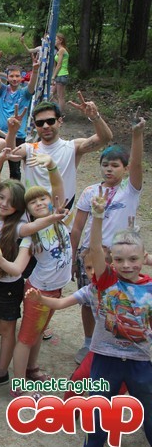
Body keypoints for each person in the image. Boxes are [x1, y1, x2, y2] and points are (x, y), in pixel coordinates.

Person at [26, 193, 152, 447]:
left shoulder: (150, 287)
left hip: (141, 362)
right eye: (119, 260)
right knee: (97, 414)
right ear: (111, 263)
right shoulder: (106, 282)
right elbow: (95, 249)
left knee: (148, 413)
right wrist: (97, 216)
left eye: (133, 259)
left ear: (144, 258)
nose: (126, 265)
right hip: (105, 359)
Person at [0, 152, 69, 394]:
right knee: (4, 335)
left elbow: (53, 197)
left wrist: (51, 166)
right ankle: (5, 373)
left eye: (44, 199)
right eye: (1, 197)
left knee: (23, 332)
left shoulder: (41, 224)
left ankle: (17, 370)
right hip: (5, 286)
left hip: (28, 287)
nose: (3, 203)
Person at [70, 116, 144, 364]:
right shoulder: (90, 191)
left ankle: (120, 341)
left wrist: (136, 135)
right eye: (105, 164)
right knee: (90, 300)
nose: (109, 169)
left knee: (119, 300)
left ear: (124, 169)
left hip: (119, 257)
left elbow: (137, 164)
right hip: (90, 255)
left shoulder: (130, 189)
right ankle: (89, 342)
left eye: (115, 165)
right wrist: (73, 257)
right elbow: (77, 227)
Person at [12, 96, 113, 208]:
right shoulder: (28, 148)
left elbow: (104, 138)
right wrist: (12, 132)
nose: (45, 126)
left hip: (63, 217)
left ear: (60, 121)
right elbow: (11, 155)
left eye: (50, 121)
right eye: (40, 123)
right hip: (33, 216)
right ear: (35, 125)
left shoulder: (73, 147)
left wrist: (95, 117)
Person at [0, 52, 39, 180]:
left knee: (15, 170)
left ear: (22, 78)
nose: (14, 78)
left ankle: (14, 195)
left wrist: (35, 70)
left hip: (18, 136)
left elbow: (32, 84)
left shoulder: (25, 93)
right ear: (7, 78)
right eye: (11, 76)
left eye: (17, 76)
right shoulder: (2, 91)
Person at [52, 33, 69, 110]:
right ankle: (57, 109)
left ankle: (60, 114)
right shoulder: (59, 50)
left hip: (62, 75)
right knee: (51, 94)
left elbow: (59, 64)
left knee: (60, 96)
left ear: (60, 40)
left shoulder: (62, 50)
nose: (54, 41)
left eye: (56, 39)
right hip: (60, 75)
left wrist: (53, 76)